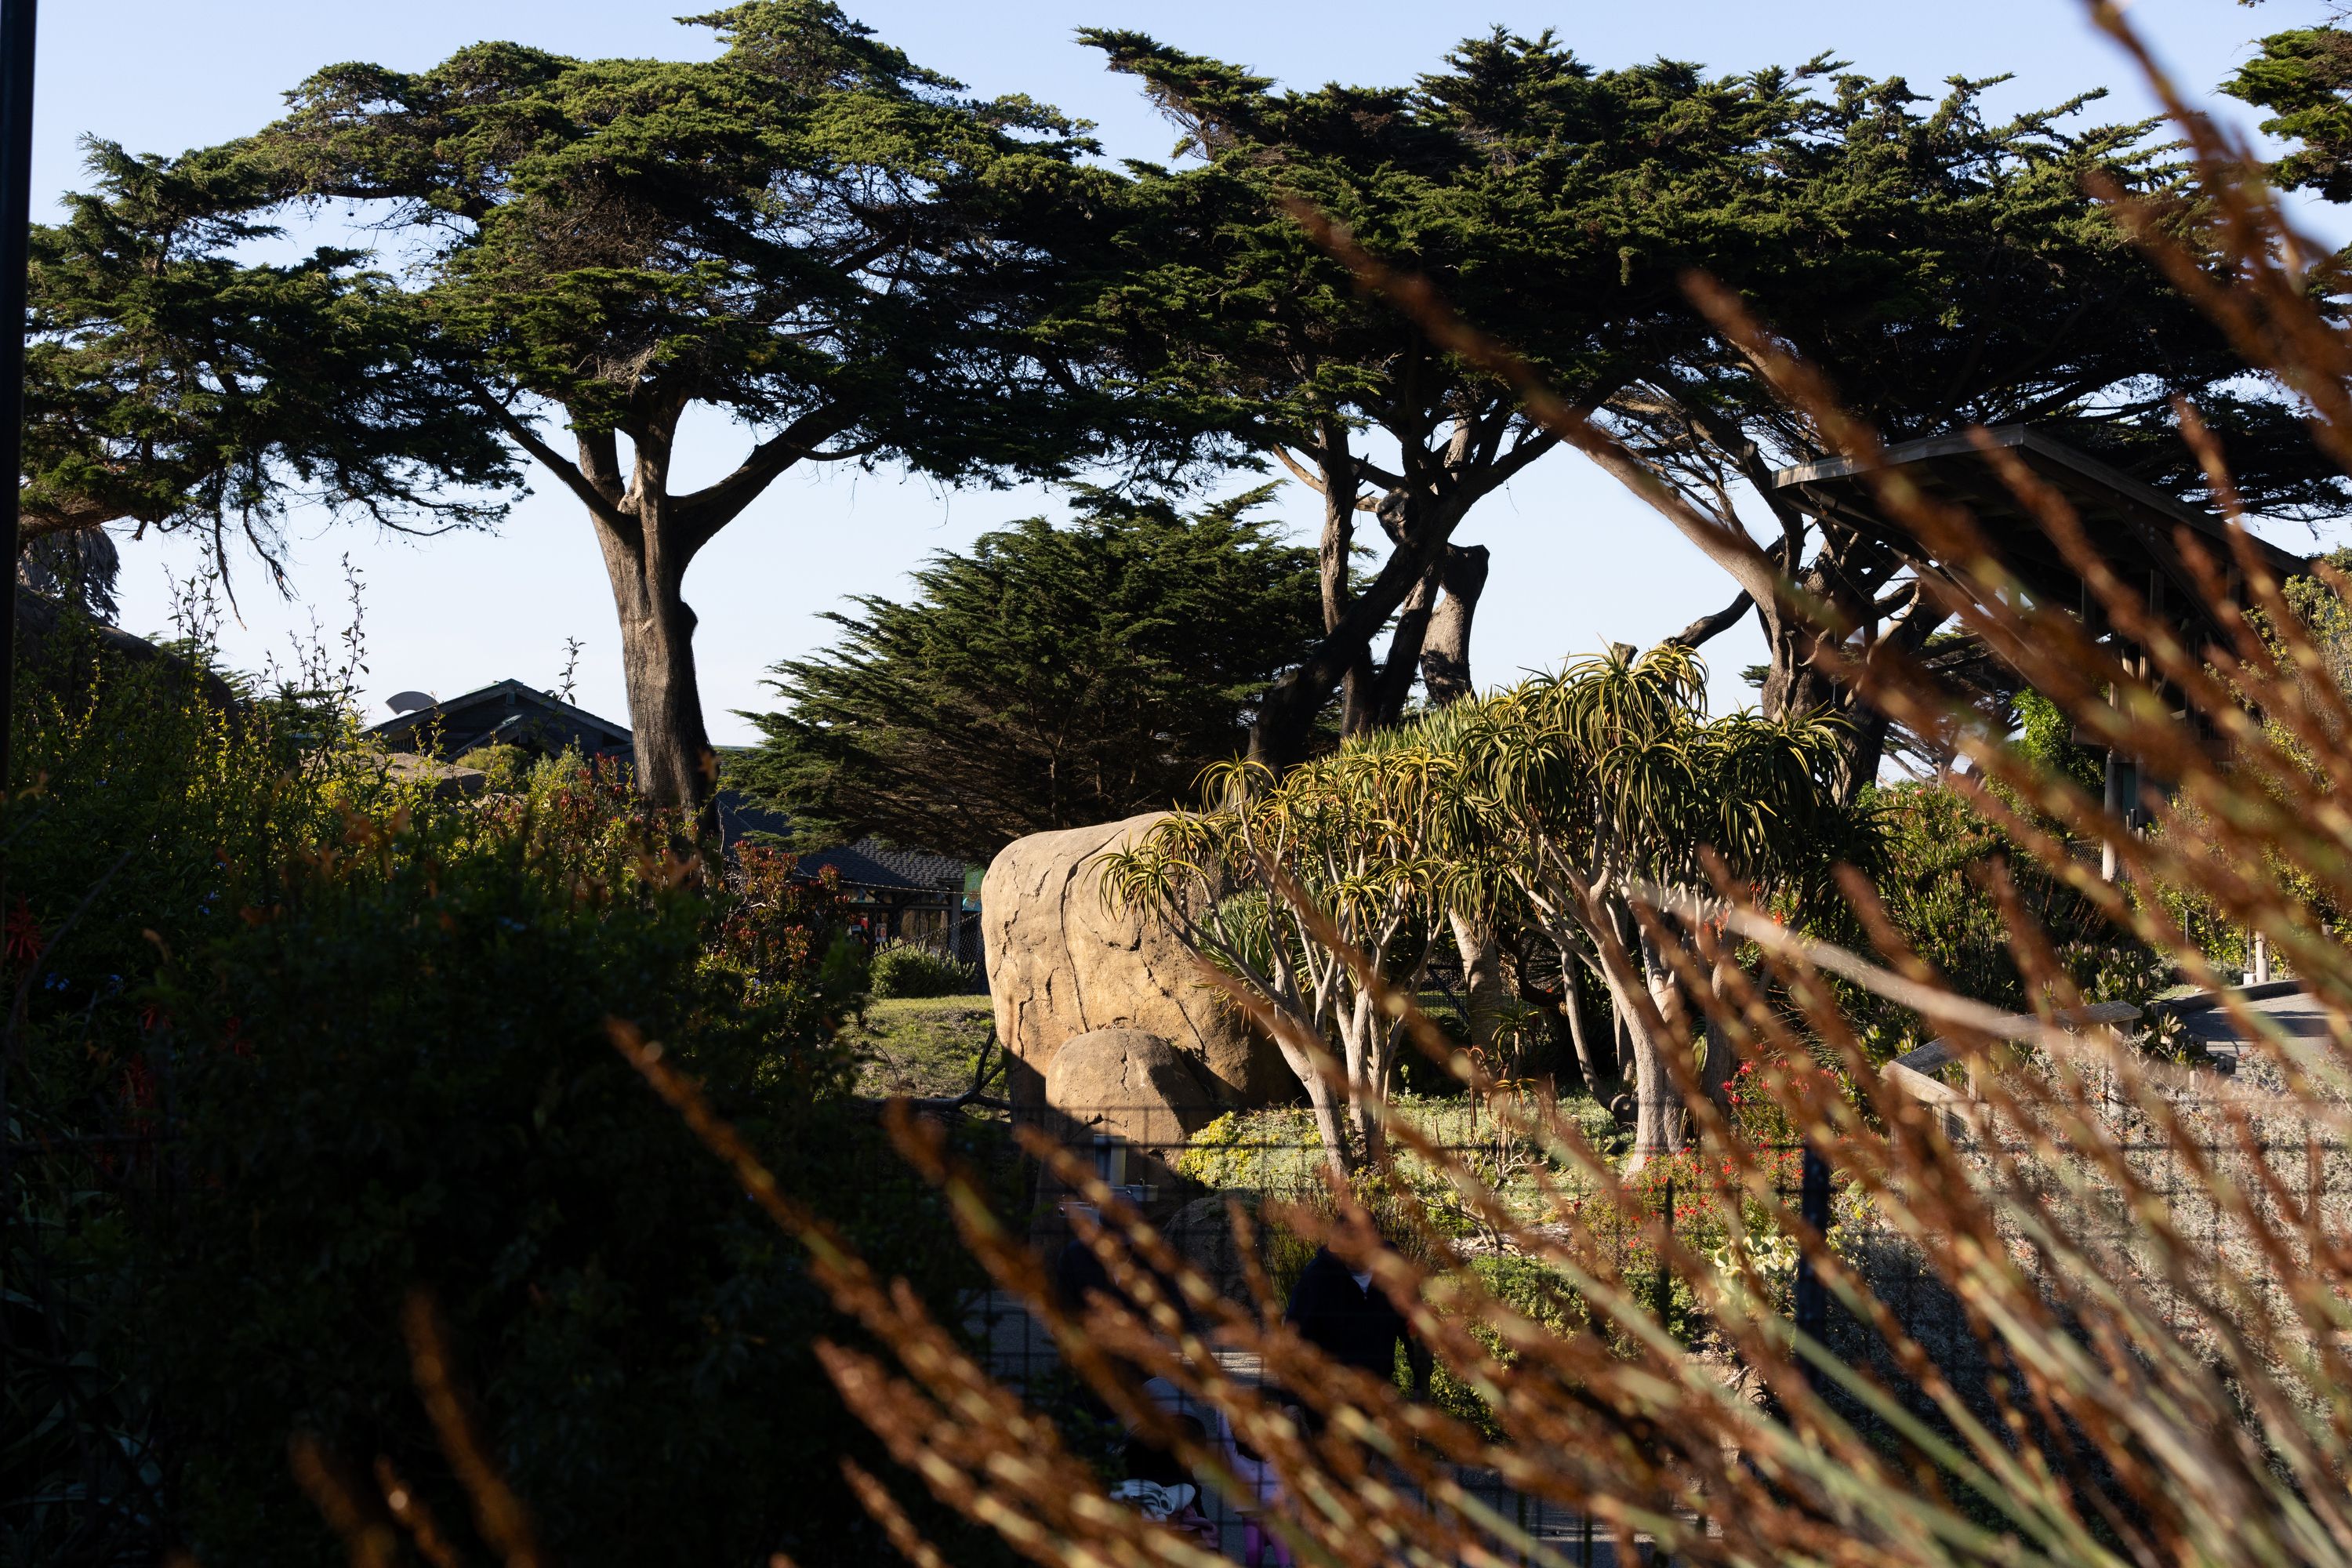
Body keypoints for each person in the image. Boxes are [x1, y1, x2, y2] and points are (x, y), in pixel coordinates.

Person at [1283, 1243, 1432, 1403]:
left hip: (1378, 1396)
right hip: (1327, 1399)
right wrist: (1289, 1401)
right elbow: (1293, 1339)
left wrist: (1421, 1386)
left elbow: (1416, 1333)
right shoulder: (1316, 1276)